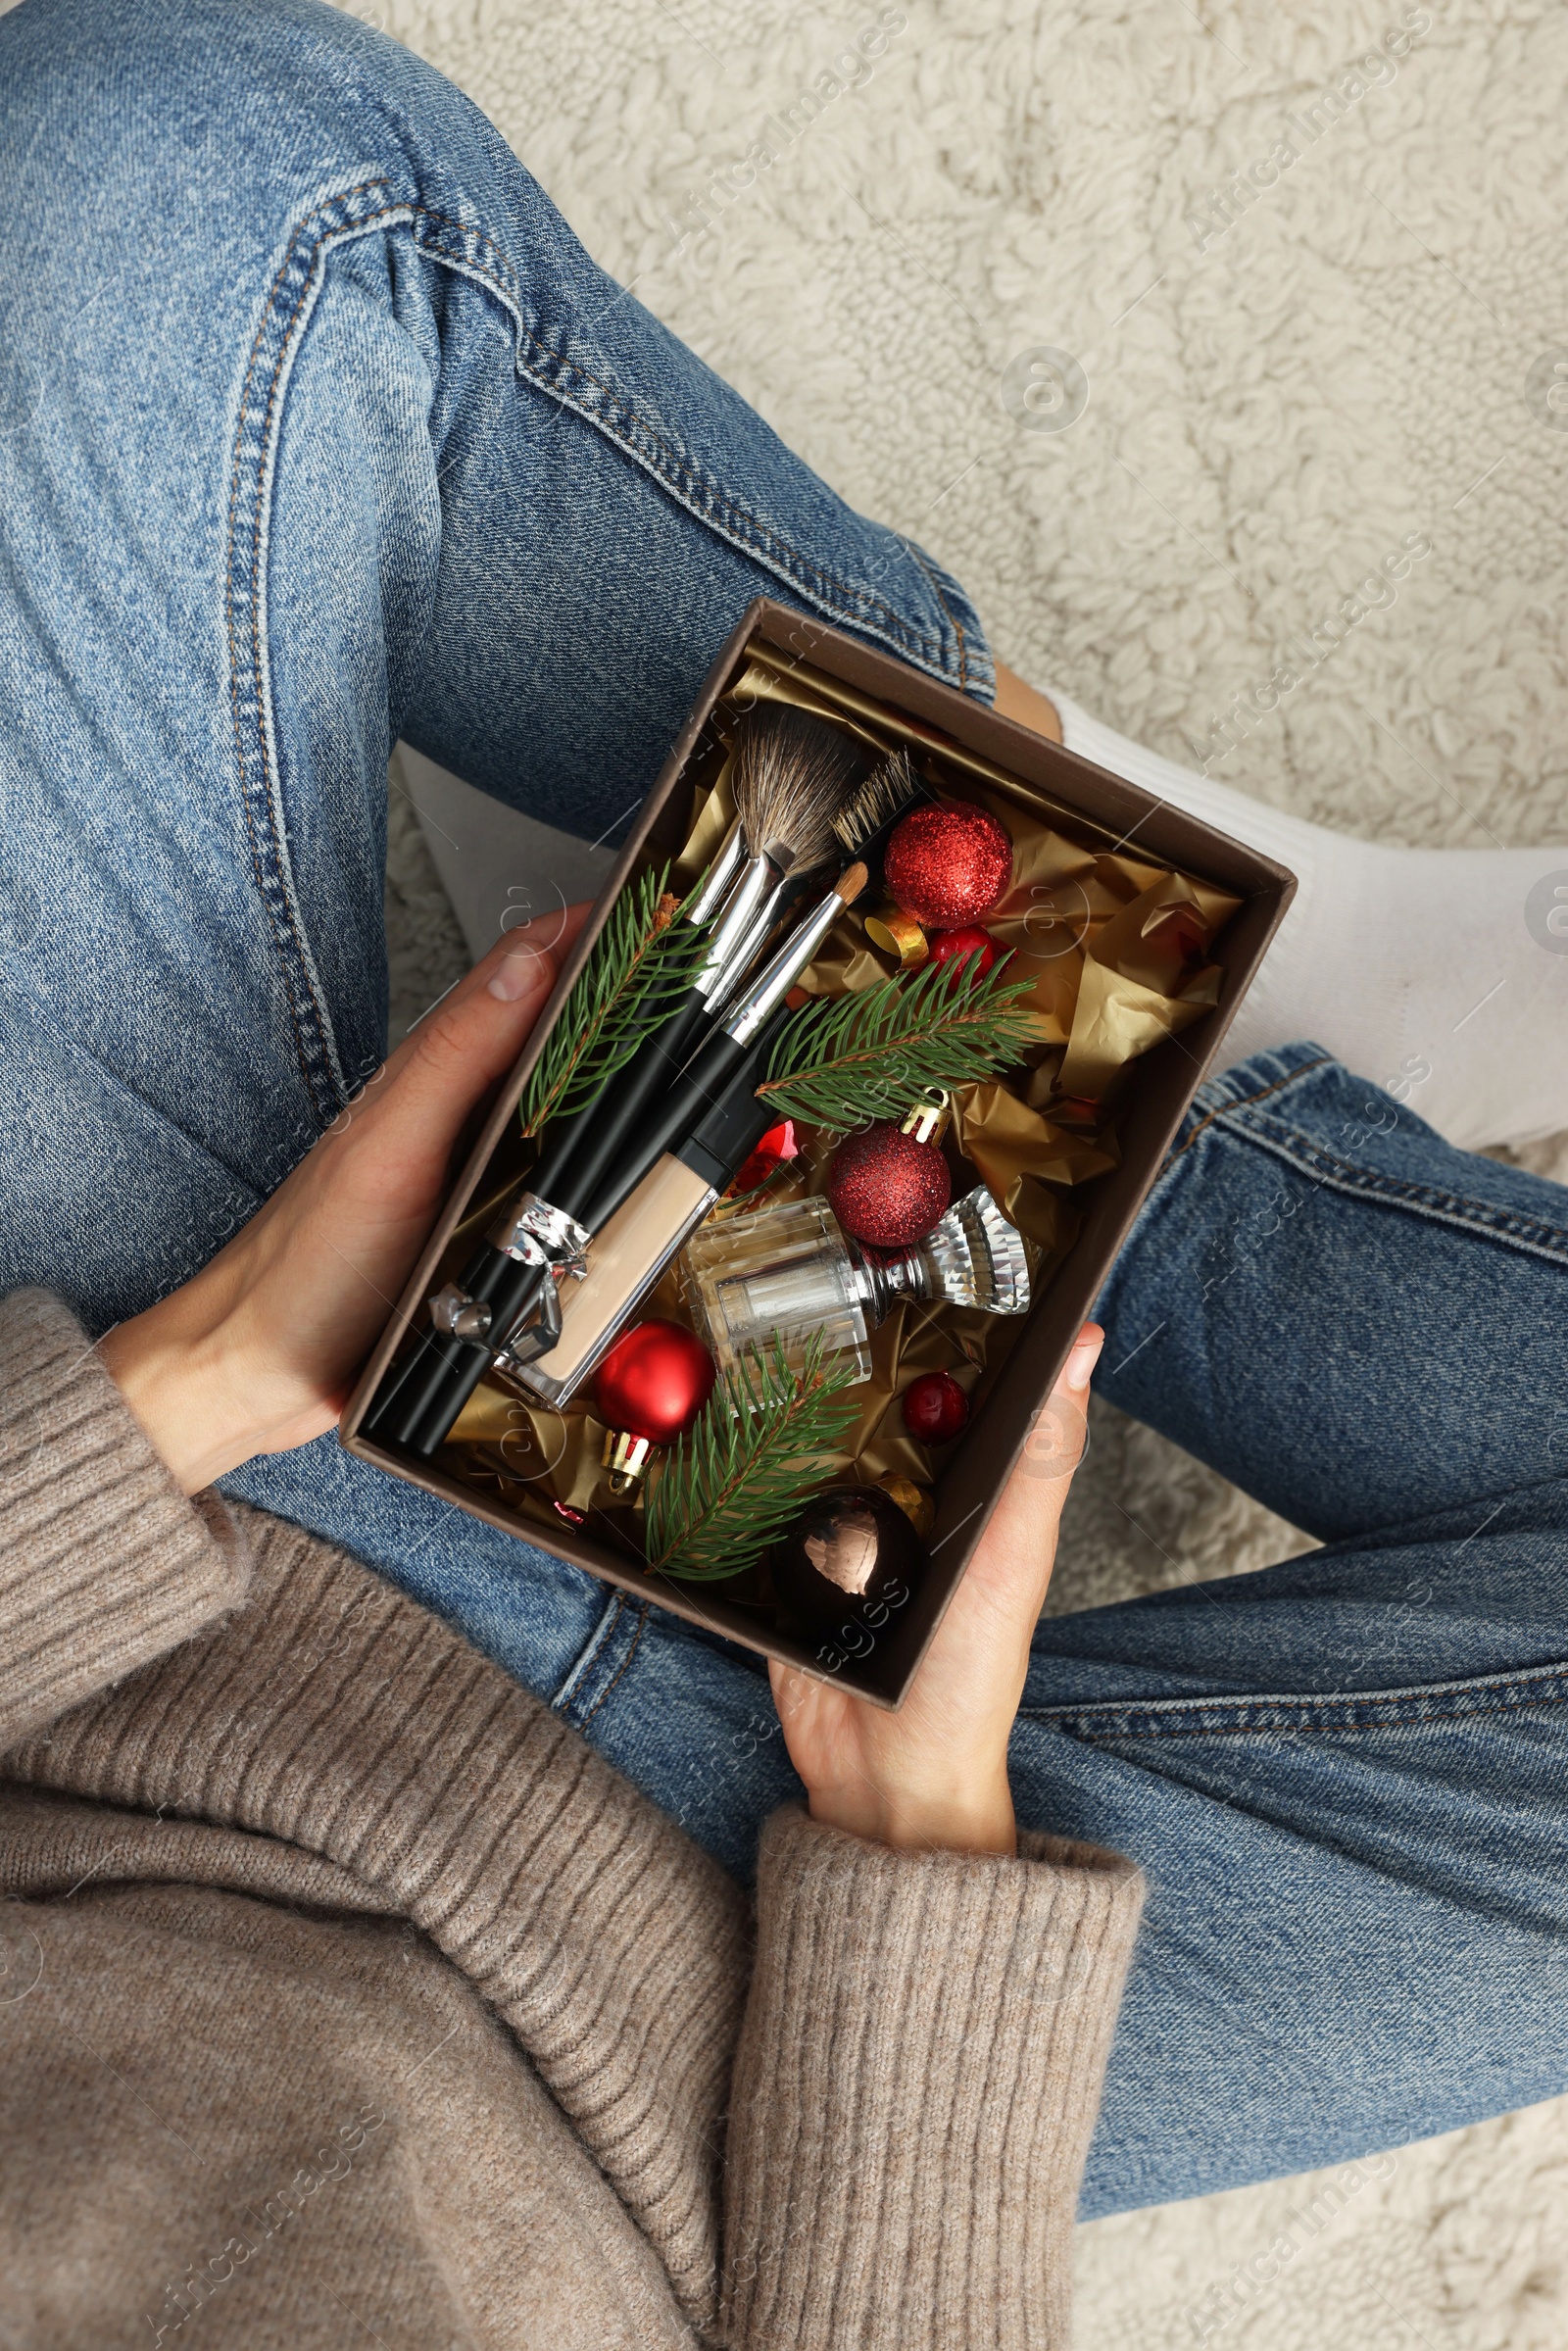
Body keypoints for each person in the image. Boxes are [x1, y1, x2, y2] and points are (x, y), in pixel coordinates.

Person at [3, 0, 1568, 2341]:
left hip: (131, 1616)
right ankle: (1117, 1004)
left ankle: (1098, 957)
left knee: (194, 186)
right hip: (725, 2035)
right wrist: (918, 1904)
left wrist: (184, 1393)